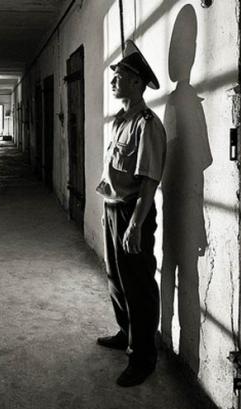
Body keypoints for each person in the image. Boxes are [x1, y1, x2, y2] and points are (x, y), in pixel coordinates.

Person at [95, 40, 167, 387]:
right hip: (113, 208)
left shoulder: (146, 124)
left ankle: (143, 357)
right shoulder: (120, 121)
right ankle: (126, 333)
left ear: (137, 82)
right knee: (115, 278)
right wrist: (109, 211)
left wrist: (136, 224)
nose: (113, 81)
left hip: (132, 212)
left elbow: (149, 179)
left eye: (120, 76)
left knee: (138, 284)